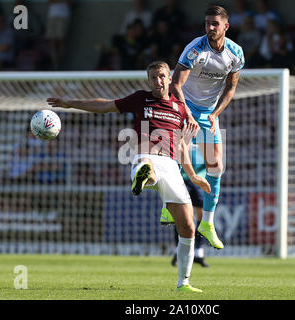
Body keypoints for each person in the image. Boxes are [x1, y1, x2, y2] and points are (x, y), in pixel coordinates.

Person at [47, 61, 211, 293]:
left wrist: (193, 176)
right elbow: (105, 105)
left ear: (169, 79)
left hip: (172, 167)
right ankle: (144, 176)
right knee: (147, 163)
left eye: (162, 76)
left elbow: (182, 147)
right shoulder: (140, 99)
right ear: (149, 81)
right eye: (153, 78)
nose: (158, 81)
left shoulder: (180, 109)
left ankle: (183, 282)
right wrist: (71, 104)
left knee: (188, 226)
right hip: (145, 155)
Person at [169, 6, 245, 250]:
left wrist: (215, 114)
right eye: (207, 23)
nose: (210, 28)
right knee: (177, 159)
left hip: (208, 113)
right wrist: (187, 113)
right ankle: (167, 208)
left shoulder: (236, 53)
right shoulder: (195, 50)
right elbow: (175, 85)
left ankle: (208, 224)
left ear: (226, 26)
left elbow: (231, 88)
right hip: (185, 106)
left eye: (215, 24)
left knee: (217, 167)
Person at [163, 143, 210, 268]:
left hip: (199, 178)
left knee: (202, 215)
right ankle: (178, 251)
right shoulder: (183, 129)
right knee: (181, 216)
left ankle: (198, 252)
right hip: (181, 177)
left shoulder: (205, 134)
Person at [45, 0, 72, 70]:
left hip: (63, 15)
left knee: (61, 40)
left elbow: (70, 2)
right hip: (52, 16)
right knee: (51, 41)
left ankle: (60, 65)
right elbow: (50, 1)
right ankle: (55, 64)